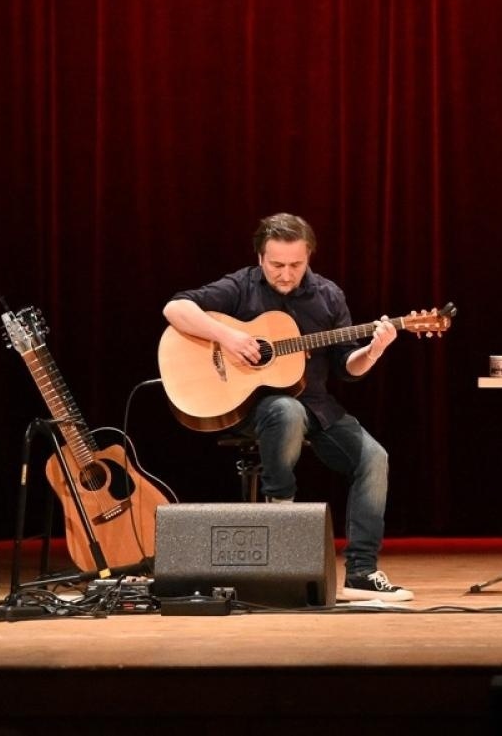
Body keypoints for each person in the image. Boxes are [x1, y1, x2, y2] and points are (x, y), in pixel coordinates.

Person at [163, 213, 411, 602]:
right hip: (254, 411)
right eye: (277, 265)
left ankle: (361, 571)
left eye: (296, 264)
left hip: (316, 405)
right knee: (284, 410)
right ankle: (282, 515)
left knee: (374, 458)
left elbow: (348, 367)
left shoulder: (329, 295)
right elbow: (176, 309)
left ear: (308, 255)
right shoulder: (241, 286)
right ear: (261, 257)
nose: (286, 273)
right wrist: (230, 337)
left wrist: (373, 350)